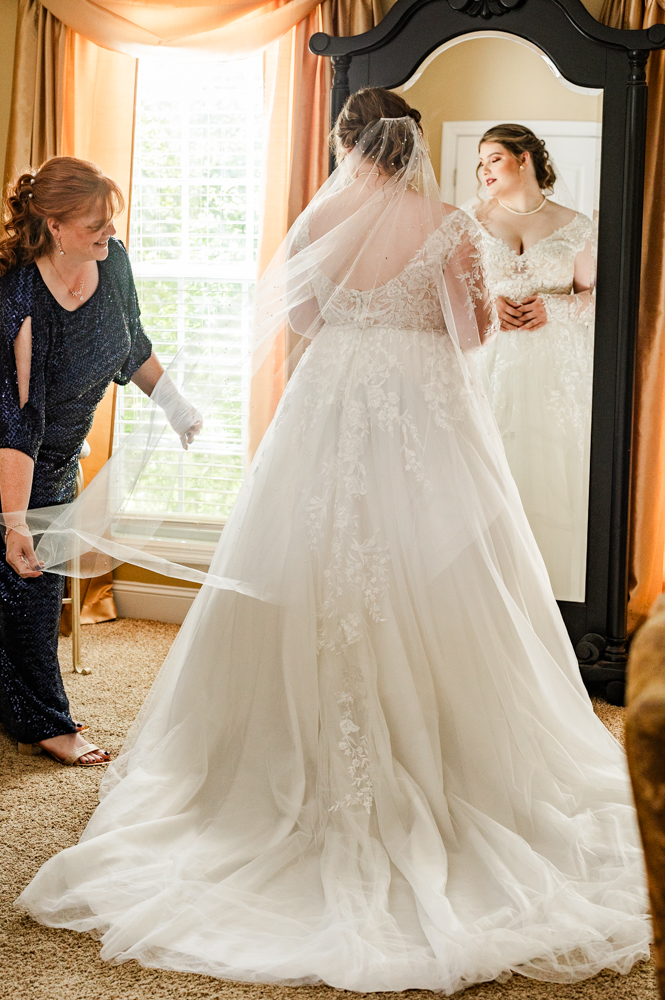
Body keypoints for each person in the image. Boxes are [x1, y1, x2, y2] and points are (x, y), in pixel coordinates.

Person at [16, 94, 648, 993]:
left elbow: (304, 319)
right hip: (423, 413)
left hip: (331, 405)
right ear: (413, 149)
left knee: (306, 561)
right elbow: (468, 337)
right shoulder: (448, 223)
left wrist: (364, 328)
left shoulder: (321, 217)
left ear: (348, 147)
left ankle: (254, 775)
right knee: (439, 570)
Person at [0, 157, 201, 767]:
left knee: (33, 586)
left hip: (60, 457)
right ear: (54, 225)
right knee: (27, 587)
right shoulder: (20, 296)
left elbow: (132, 343)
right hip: (12, 458)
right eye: (93, 223)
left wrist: (175, 405)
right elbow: (16, 419)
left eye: (109, 221)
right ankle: (48, 722)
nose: (108, 232)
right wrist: (13, 522)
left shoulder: (112, 264)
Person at [467, 124, 595, 601]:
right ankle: (485, 595)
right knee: (487, 470)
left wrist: (553, 307)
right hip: (490, 365)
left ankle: (553, 593)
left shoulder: (576, 224)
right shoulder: (471, 220)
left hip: (554, 372)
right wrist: (489, 306)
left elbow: (593, 297)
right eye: (481, 162)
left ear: (525, 160)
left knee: (552, 477)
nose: (484, 170)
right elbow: (453, 290)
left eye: (494, 159)